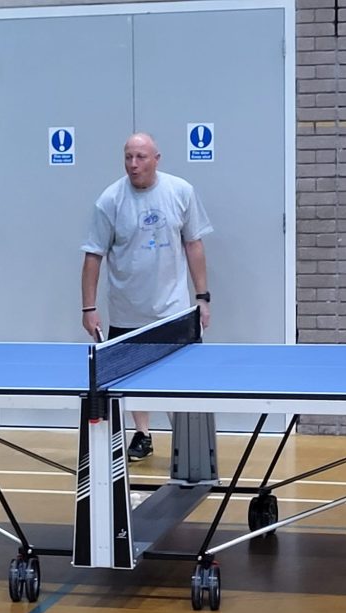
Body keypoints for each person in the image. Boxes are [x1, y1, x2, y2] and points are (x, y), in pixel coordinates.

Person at [80, 132, 213, 460]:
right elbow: (93, 255)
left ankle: (185, 443)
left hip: (173, 310)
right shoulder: (110, 200)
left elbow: (193, 244)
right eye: (128, 157)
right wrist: (88, 308)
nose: (133, 164)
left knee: (177, 381)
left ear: (156, 159)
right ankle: (142, 434)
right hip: (126, 310)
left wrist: (202, 297)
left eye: (140, 157)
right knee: (130, 381)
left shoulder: (180, 191)